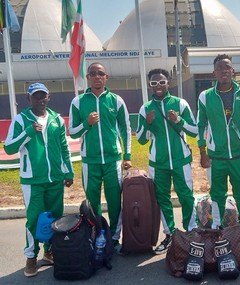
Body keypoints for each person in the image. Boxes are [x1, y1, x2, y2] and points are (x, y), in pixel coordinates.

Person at [4, 83, 74, 277]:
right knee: (34, 219)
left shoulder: (56, 119)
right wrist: (27, 132)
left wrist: (68, 172)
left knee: (54, 218)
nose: (40, 100)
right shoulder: (21, 119)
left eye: (43, 96)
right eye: (36, 97)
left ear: (48, 97)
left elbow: (64, 147)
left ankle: (50, 251)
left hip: (55, 179)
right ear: (29, 99)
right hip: (32, 180)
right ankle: (31, 257)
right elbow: (9, 148)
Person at [197, 54, 240, 251]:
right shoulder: (206, 96)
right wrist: (203, 151)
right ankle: (217, 229)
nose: (224, 71)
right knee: (217, 194)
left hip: (239, 155)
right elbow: (201, 124)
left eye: (228, 67)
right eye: (220, 68)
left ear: (233, 70)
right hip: (216, 156)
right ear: (214, 72)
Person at [68, 62, 132, 251]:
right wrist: (87, 124)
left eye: (101, 73)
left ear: (106, 77)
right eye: (93, 73)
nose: (97, 76)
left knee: (114, 202)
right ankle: (94, 236)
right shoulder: (78, 101)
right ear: (88, 77)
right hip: (90, 161)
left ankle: (114, 238)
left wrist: (127, 156)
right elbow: (72, 131)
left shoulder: (116, 100)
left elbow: (126, 129)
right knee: (92, 202)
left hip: (113, 160)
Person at [136, 68, 198, 254]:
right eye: (154, 83)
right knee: (162, 199)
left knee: (186, 196)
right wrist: (147, 122)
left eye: (162, 82)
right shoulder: (145, 108)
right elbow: (140, 139)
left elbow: (193, 131)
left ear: (168, 83)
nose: (158, 86)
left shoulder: (180, 104)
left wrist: (178, 119)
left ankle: (191, 230)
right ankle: (170, 234)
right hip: (158, 163)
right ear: (150, 85)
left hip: (181, 159)